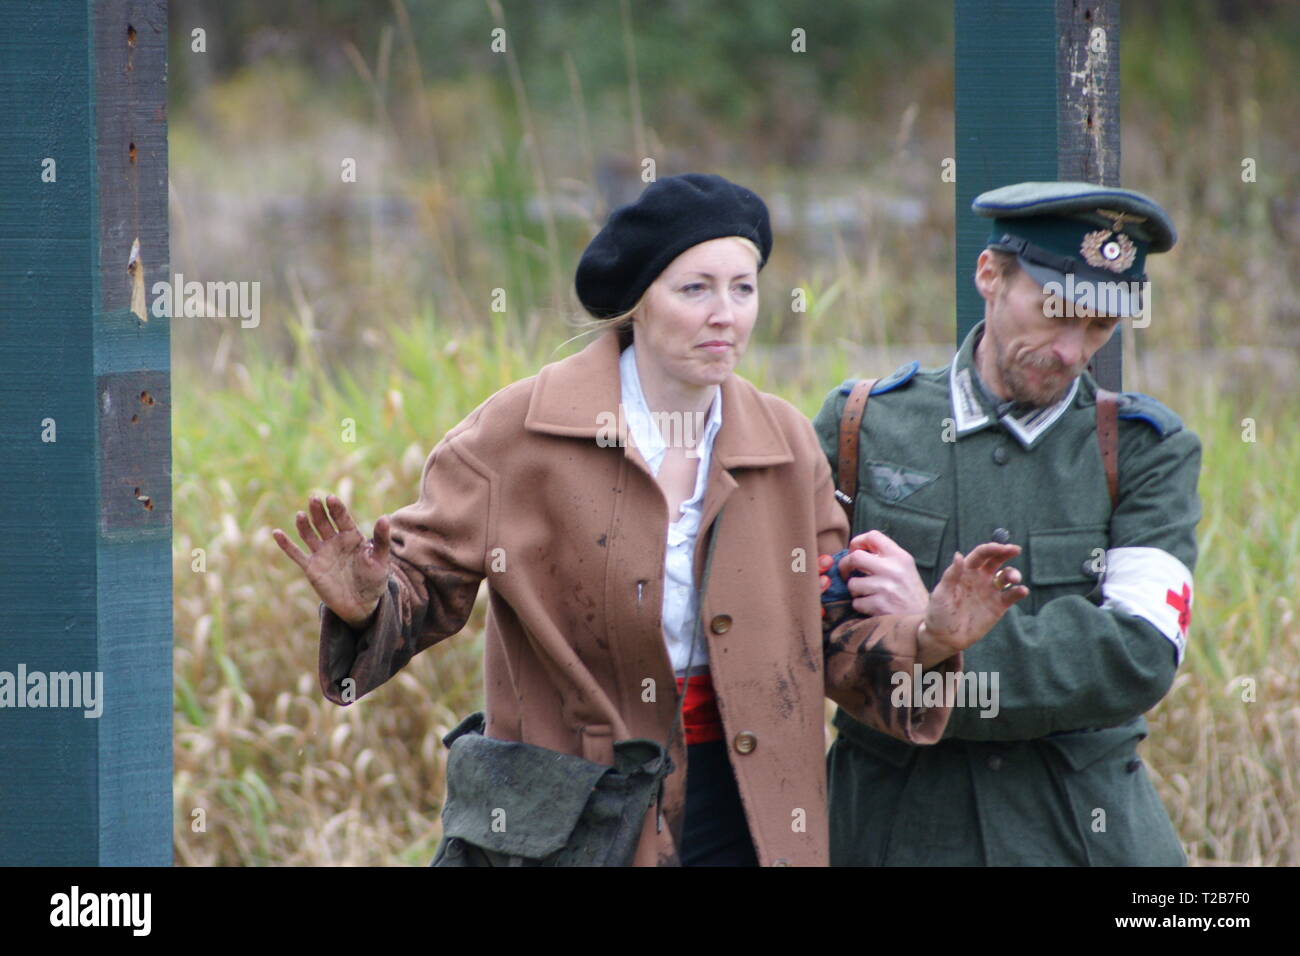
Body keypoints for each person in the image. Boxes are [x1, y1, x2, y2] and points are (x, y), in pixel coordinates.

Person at [273, 172, 1027, 867]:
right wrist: (371, 602)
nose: (724, 315)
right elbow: (425, 584)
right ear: (639, 299)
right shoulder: (519, 433)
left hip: (755, 807)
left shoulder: (787, 444)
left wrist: (929, 638)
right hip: (573, 818)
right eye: (695, 288)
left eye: (742, 288)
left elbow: (832, 635)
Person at [814, 181, 1201, 866]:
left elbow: (1138, 655)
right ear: (989, 275)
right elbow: (811, 634)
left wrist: (935, 647)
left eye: (1100, 326)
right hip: (889, 834)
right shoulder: (860, 428)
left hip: (1080, 836)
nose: (1071, 350)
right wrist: (925, 634)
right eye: (1056, 312)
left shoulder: (1147, 449)